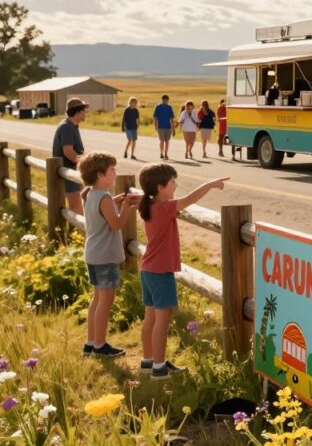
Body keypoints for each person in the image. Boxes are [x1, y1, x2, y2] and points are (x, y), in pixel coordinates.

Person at [137, 163, 228, 378]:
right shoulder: (164, 207)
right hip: (160, 272)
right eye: (172, 182)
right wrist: (211, 184)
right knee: (162, 319)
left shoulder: (149, 205)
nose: (175, 185)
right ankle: (159, 368)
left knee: (150, 317)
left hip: (148, 269)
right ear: (160, 187)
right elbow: (190, 200)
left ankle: (148, 360)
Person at [79, 151, 139, 358]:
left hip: (93, 254)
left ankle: (91, 342)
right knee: (105, 301)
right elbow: (117, 224)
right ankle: (101, 345)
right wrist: (126, 207)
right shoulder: (104, 197)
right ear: (99, 175)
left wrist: (115, 201)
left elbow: (102, 211)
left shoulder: (89, 194)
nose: (115, 174)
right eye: (112, 170)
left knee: (97, 299)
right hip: (106, 256)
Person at [52, 97, 88, 215]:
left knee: (78, 208)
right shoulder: (67, 127)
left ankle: (74, 232)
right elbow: (68, 151)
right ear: (78, 111)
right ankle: (74, 233)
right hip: (68, 173)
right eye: (84, 110)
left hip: (71, 172)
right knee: (77, 209)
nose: (85, 112)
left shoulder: (70, 125)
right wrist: (84, 164)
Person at [153, 95, 175, 160]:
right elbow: (155, 117)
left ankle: (165, 154)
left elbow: (171, 119)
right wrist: (156, 125)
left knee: (167, 141)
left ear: (168, 100)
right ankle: (161, 153)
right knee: (162, 141)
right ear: (162, 100)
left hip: (168, 127)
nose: (165, 101)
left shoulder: (169, 107)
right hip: (160, 127)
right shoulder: (158, 107)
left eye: (166, 100)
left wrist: (173, 129)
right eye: (164, 100)